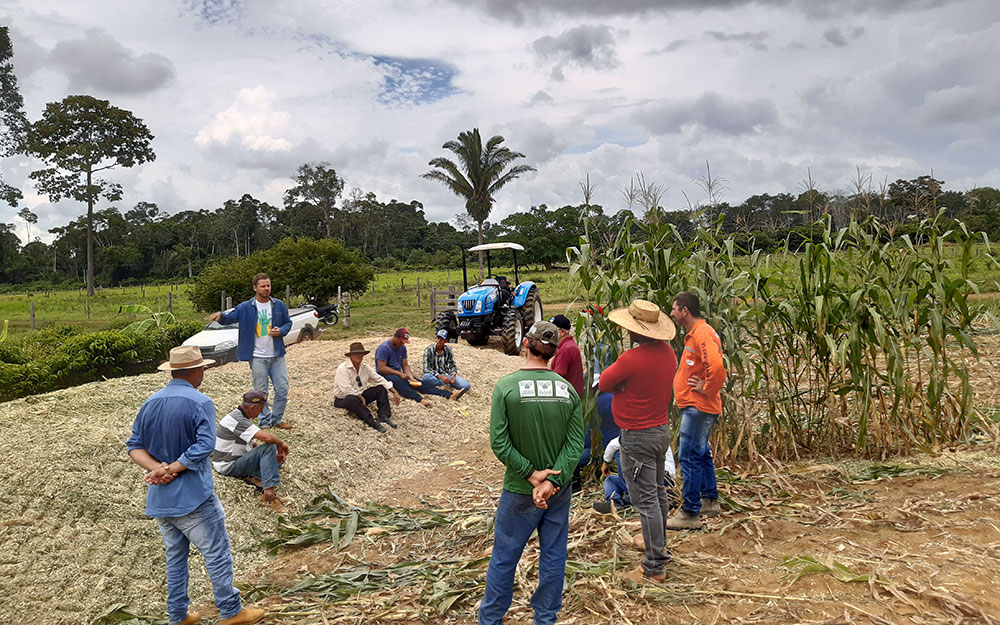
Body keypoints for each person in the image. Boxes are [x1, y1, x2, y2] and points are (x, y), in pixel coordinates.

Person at [126, 345, 266, 625]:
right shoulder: (199, 401)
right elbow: (205, 445)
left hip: (162, 500)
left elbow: (133, 446)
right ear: (196, 370)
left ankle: (178, 616)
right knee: (216, 551)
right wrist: (174, 468)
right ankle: (231, 610)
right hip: (193, 497)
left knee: (176, 558)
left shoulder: (151, 402)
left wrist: (158, 469)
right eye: (202, 368)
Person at [479, 322, 584, 625]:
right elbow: (575, 442)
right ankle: (545, 619)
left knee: (504, 558)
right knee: (553, 556)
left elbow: (499, 442)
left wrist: (530, 474)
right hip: (557, 491)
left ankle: (491, 620)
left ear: (526, 344)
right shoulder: (568, 391)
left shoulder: (506, 387)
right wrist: (552, 480)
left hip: (519, 489)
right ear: (553, 352)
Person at [599, 299, 677, 583]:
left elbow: (605, 383)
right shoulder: (669, 354)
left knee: (645, 500)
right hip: (659, 430)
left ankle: (654, 567)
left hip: (638, 436)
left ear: (636, 330)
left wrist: (623, 385)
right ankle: (657, 540)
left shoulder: (631, 359)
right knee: (656, 493)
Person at [667, 291, 727, 530]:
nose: (671, 313)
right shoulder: (697, 333)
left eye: (674, 309)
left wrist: (707, 388)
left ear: (685, 310)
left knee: (690, 455)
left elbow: (717, 367)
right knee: (701, 453)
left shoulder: (701, 334)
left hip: (698, 407)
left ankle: (690, 512)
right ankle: (709, 500)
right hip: (697, 406)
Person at [209, 273, 293, 430]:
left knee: (282, 388)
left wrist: (280, 331)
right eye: (263, 286)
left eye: (268, 285)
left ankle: (277, 419)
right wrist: (220, 316)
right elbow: (230, 318)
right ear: (255, 288)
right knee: (261, 392)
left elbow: (288, 323)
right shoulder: (245, 307)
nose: (266, 289)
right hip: (257, 357)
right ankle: (265, 422)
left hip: (277, 354)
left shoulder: (278, 305)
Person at [212, 389, 290, 508]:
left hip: (239, 459)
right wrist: (282, 444)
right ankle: (269, 492)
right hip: (228, 466)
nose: (262, 411)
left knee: (274, 459)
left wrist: (271, 458)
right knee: (270, 446)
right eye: (261, 408)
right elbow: (267, 438)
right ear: (253, 407)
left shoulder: (241, 418)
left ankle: (255, 477)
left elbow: (254, 445)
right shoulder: (237, 420)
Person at [375, 328, 462, 405]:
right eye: (401, 341)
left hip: (398, 373)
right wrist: (399, 373)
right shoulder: (384, 348)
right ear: (396, 337)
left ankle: (448, 394)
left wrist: (411, 377)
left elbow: (405, 365)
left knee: (419, 384)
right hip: (386, 375)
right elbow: (382, 368)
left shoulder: (402, 348)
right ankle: (419, 399)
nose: (402, 344)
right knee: (401, 384)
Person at [594, 435, 678, 514]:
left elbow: (613, 445)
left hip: (654, 479)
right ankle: (658, 498)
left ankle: (618, 501)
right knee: (610, 479)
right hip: (666, 480)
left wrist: (606, 462)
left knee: (620, 452)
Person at [334, 341, 402, 432]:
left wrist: (394, 391)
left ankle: (384, 416)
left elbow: (379, 379)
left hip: (360, 396)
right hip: (344, 399)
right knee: (351, 399)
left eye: (361, 354)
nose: (359, 356)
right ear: (350, 356)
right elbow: (346, 389)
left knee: (380, 389)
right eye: (356, 354)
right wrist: (360, 397)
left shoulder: (365, 367)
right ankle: (372, 421)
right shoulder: (342, 368)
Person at [422, 329, 472, 394]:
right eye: (438, 338)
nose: (439, 340)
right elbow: (426, 369)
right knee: (425, 378)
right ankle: (446, 384)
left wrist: (453, 375)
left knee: (466, 386)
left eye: (442, 339)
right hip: (434, 376)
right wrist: (440, 376)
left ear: (446, 341)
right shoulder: (428, 350)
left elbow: (452, 365)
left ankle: (447, 383)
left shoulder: (448, 350)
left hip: (447, 375)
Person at [549, 314, 584, 397]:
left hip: (567, 397)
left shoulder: (566, 349)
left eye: (552, 330)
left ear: (562, 332)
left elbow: (557, 377)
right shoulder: (568, 345)